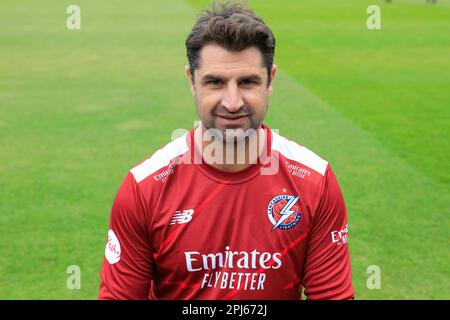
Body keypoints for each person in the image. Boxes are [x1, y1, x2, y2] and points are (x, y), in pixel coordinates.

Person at [99, 1, 354, 300]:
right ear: (191, 81)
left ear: (270, 81)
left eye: (247, 82)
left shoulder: (315, 181)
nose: (232, 102)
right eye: (215, 82)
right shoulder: (144, 188)